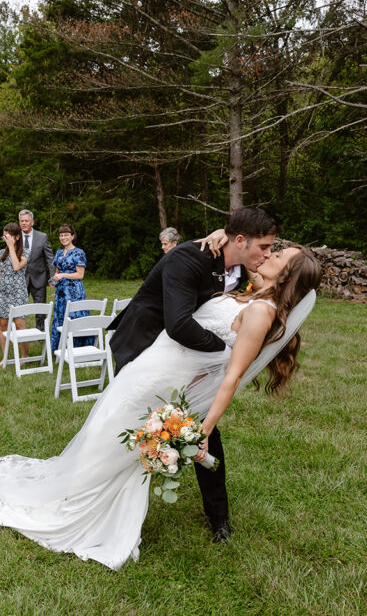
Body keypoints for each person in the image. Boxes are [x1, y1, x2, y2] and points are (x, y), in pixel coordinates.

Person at [0, 245, 322, 570]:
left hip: (162, 387)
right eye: (270, 248)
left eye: (278, 255)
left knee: (113, 444)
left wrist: (203, 430)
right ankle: (69, 490)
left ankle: (72, 507)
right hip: (151, 372)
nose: (268, 253)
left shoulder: (261, 312)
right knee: (103, 434)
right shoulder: (248, 292)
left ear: (287, 276)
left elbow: (230, 376)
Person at [108, 207, 278, 542]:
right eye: (264, 247)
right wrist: (228, 353)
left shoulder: (239, 262)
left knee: (205, 433)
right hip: (143, 347)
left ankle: (219, 518)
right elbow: (179, 324)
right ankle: (109, 503)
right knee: (128, 429)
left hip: (188, 358)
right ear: (241, 241)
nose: (268, 254)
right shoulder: (190, 258)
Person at [0, 222, 30, 364]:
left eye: (9, 236)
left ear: (17, 237)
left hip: (18, 293)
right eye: (4, 236)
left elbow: (16, 266)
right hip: (3, 293)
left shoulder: (25, 252)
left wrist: (12, 247)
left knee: (20, 325)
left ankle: (24, 356)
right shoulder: (1, 253)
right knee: (3, 326)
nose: (5, 238)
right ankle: (5, 356)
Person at [48, 224, 90, 351]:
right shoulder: (59, 252)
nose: (63, 237)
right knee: (60, 316)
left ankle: (76, 348)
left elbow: (80, 275)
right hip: (61, 291)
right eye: (61, 235)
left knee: (73, 316)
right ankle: (60, 348)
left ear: (72, 236)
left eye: (66, 235)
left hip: (74, 291)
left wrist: (62, 275)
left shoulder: (79, 253)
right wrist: (55, 280)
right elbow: (57, 271)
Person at [18, 210, 54, 331]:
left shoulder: (42, 237)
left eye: (26, 221)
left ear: (32, 222)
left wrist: (53, 277)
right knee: (19, 308)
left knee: (40, 308)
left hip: (39, 278)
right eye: (21, 221)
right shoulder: (15, 237)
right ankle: (20, 331)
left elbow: (50, 258)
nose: (24, 223)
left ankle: (41, 331)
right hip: (20, 278)